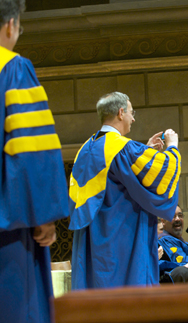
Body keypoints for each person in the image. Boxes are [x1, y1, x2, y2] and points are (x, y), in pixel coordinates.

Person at [0, 0, 69, 323]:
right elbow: (30, 151)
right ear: (10, 25)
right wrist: (43, 215)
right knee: (10, 317)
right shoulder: (12, 68)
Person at [69, 92, 181, 289]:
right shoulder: (121, 147)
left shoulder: (86, 149)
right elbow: (165, 171)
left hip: (93, 236)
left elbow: (118, 178)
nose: (133, 118)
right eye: (131, 112)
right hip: (120, 234)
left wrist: (146, 150)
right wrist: (172, 147)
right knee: (123, 290)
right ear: (121, 113)